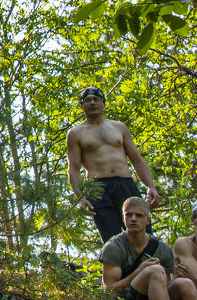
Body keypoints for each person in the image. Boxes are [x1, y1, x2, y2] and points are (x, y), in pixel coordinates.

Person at [66, 86, 160, 243]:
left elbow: (136, 159)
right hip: (98, 188)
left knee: (144, 234)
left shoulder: (119, 127)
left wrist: (151, 186)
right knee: (112, 239)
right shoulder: (76, 133)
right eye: (88, 100)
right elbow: (73, 168)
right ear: (82, 105)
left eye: (96, 99)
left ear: (103, 104)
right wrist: (80, 196)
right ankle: (118, 267)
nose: (92, 103)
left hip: (124, 183)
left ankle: (151, 266)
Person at [99, 197, 196, 300]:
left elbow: (166, 287)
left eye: (139, 215)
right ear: (123, 217)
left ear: (147, 220)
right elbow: (108, 291)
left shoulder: (163, 249)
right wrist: (139, 272)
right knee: (155, 270)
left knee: (185, 283)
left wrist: (179, 278)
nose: (133, 219)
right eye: (129, 215)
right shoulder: (114, 247)